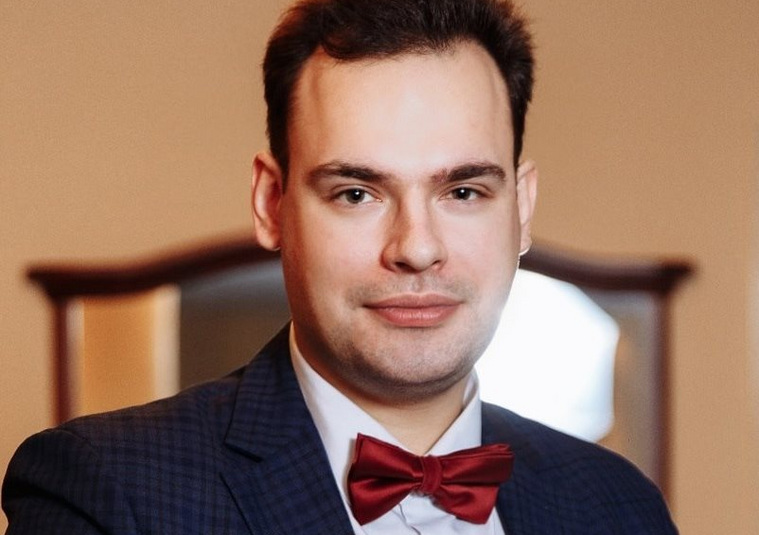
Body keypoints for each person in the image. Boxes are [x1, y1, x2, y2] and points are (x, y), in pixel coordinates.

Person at [2, 0, 678, 533]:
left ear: (521, 207)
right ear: (271, 203)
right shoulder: (106, 490)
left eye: (464, 192)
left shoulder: (617, 505)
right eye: (356, 193)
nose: (416, 247)